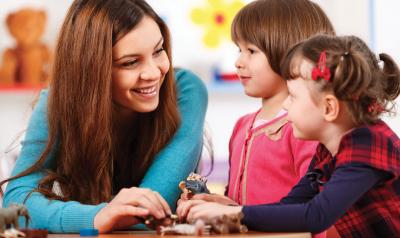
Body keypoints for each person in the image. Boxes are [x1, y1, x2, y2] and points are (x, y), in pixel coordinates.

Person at [0, 0, 207, 234]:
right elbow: (16, 203)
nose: (153, 72)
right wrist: (97, 216)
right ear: (91, 70)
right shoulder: (57, 102)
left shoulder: (187, 90)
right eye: (130, 63)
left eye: (158, 51)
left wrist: (95, 216)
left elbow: (152, 209)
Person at [178, 34, 400, 237]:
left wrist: (234, 213)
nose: (285, 104)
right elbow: (291, 205)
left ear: (329, 108)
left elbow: (316, 215)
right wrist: (226, 209)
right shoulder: (328, 149)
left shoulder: (368, 145)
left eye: (293, 97)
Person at [179, 0, 334, 207]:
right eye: (239, 50)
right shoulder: (242, 126)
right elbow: (238, 205)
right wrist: (213, 203)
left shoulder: (304, 129)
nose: (238, 62)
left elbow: (316, 208)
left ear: (291, 55)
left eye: (251, 51)